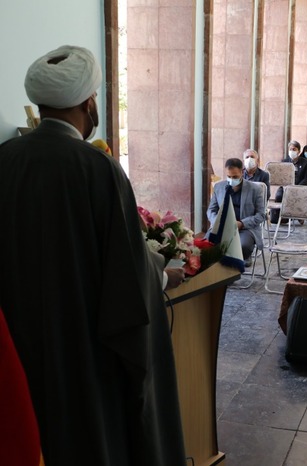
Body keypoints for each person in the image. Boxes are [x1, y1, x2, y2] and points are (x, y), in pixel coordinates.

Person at [0, 45, 187, 465]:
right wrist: (161, 274)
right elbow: (127, 276)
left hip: (18, 348)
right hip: (83, 354)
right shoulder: (96, 168)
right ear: (88, 103)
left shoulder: (5, 160)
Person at [207, 158, 265, 262]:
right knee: (207, 245)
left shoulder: (255, 189)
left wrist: (242, 223)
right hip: (222, 227)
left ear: (242, 172)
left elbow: (261, 215)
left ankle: (241, 259)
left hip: (245, 229)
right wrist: (218, 222)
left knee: (243, 247)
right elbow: (211, 210)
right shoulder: (219, 187)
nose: (231, 179)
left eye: (235, 177)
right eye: (229, 176)